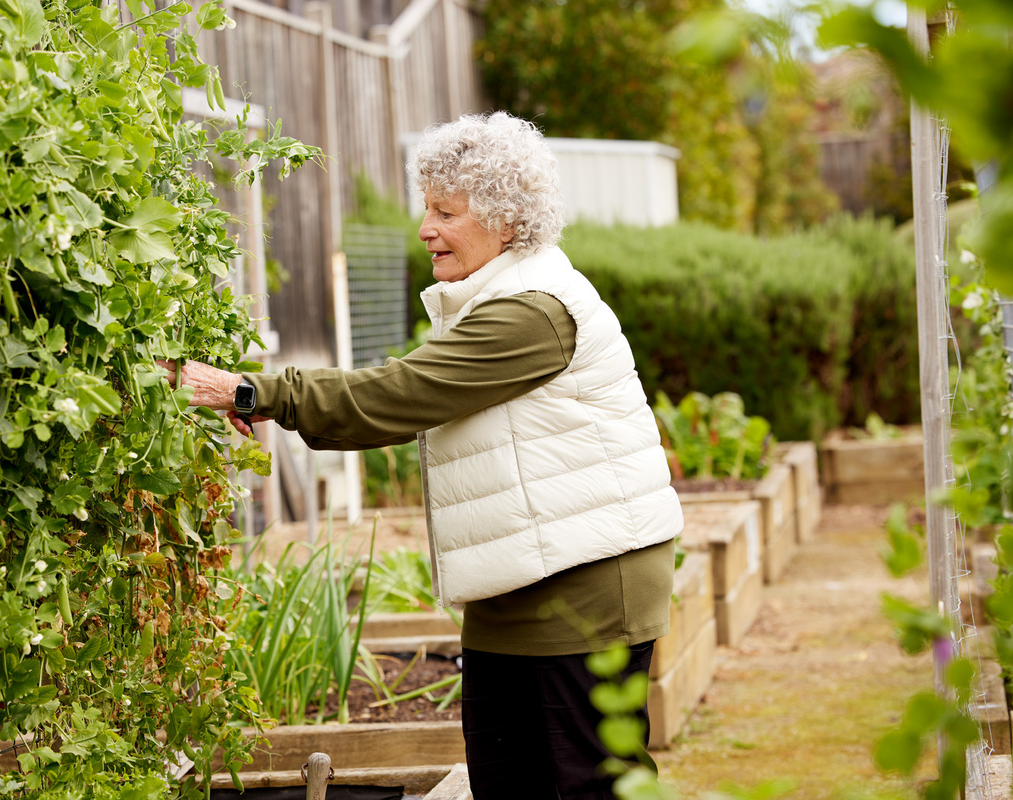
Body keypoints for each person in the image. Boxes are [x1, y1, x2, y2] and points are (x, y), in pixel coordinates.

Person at [160, 111, 683, 799]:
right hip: (519, 581)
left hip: (583, 587)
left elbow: (401, 393)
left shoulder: (533, 310)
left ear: (506, 221)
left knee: (584, 785)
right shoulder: (493, 298)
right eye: (425, 207)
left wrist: (253, 391)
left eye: (446, 211)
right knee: (509, 781)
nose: (425, 227)